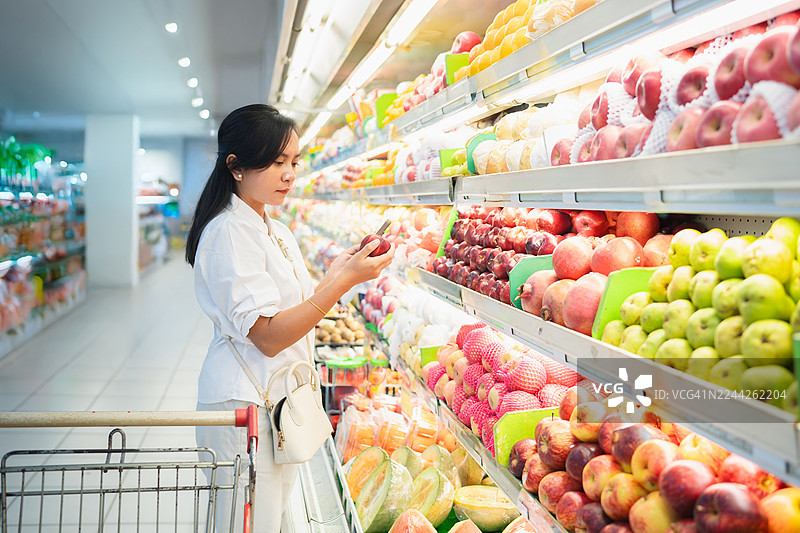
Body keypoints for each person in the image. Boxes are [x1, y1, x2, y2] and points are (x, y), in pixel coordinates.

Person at [185, 104, 394, 532]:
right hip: (244, 405)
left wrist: (340, 275)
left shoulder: (274, 229)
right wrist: (340, 285)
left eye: (293, 162)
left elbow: (294, 310)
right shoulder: (227, 232)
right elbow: (266, 336)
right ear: (236, 166)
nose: (289, 173)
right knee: (247, 524)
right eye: (276, 161)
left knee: (271, 519)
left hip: (276, 401)